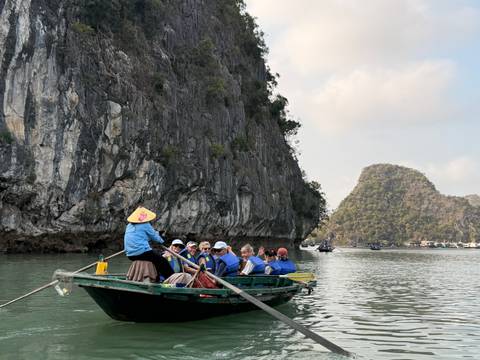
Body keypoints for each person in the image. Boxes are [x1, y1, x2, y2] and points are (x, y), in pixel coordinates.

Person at [124, 206, 174, 281]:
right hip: (141, 253)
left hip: (130, 255)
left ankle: (156, 279)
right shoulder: (145, 224)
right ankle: (172, 279)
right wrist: (162, 242)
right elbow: (155, 237)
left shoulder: (129, 226)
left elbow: (142, 236)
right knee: (162, 261)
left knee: (156, 258)